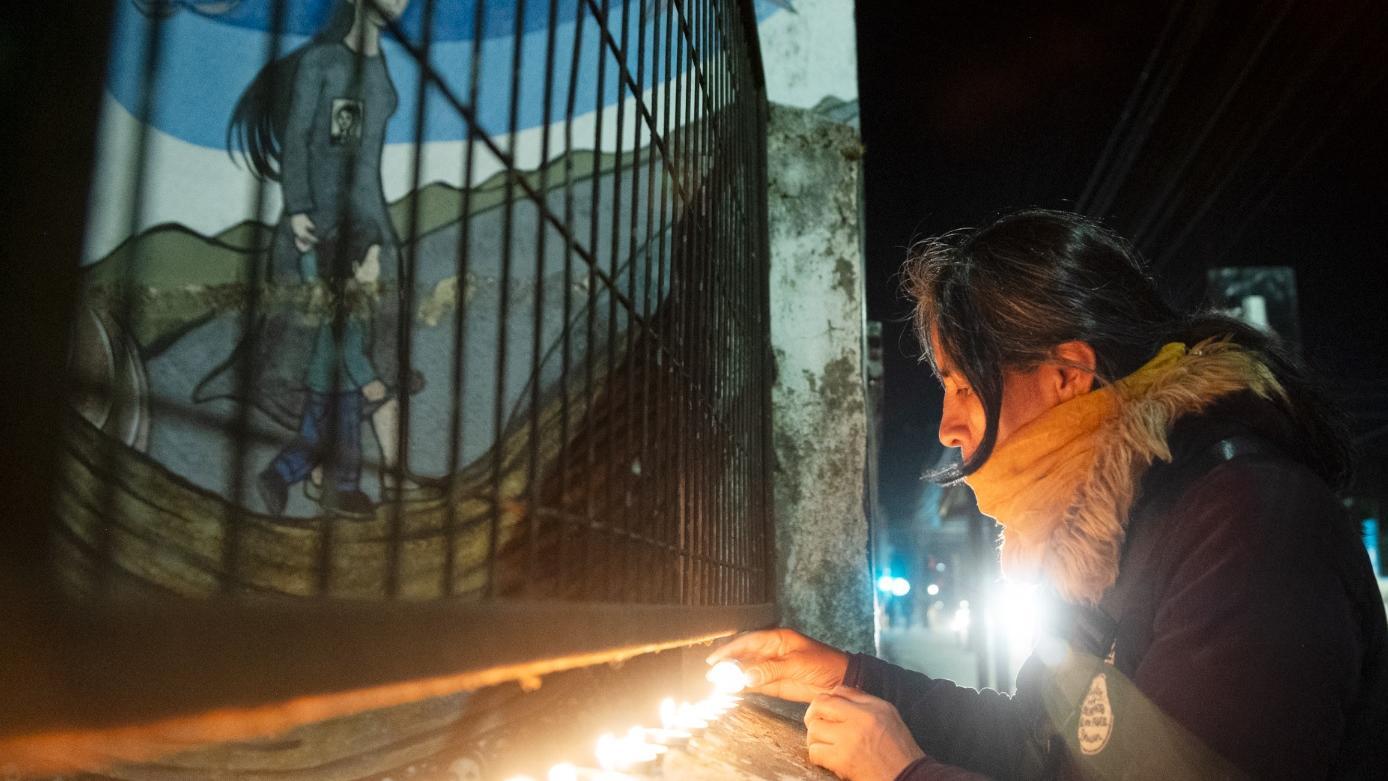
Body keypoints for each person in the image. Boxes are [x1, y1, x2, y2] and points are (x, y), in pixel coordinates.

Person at [711, 210, 1387, 780]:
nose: (947, 426)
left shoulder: (1250, 527)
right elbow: (1038, 744)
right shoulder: (1101, 524)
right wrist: (849, 676)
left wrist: (907, 772)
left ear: (1068, 374)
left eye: (965, 386)